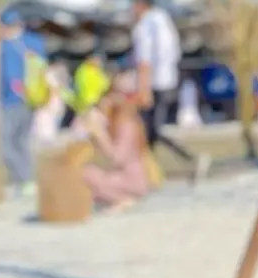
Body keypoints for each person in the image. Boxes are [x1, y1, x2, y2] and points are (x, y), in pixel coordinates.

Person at [130, 0, 210, 182]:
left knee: (151, 130)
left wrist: (143, 89)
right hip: (168, 79)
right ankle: (147, 171)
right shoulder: (164, 19)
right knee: (150, 130)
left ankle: (189, 159)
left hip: (153, 83)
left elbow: (145, 61)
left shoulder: (144, 26)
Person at [0, 9, 48, 196]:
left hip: (11, 101)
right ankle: (27, 181)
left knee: (3, 143)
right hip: (32, 99)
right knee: (22, 141)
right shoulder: (35, 42)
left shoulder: (5, 47)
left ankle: (23, 179)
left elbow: (8, 77)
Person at [80, 87, 152, 212]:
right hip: (120, 175)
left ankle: (122, 199)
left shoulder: (127, 125)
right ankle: (116, 198)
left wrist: (100, 134)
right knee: (83, 174)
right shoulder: (114, 125)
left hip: (131, 179)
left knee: (87, 175)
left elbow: (117, 158)